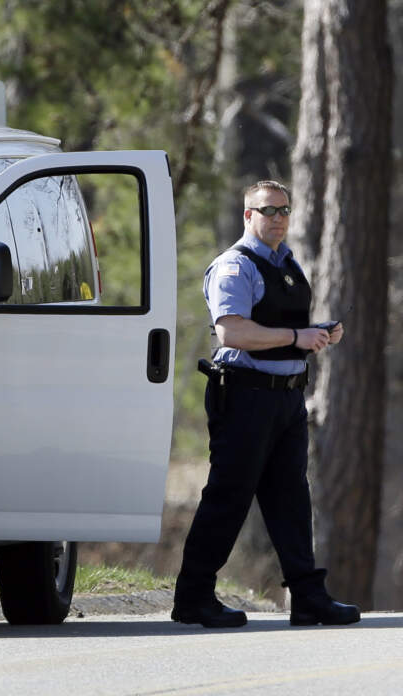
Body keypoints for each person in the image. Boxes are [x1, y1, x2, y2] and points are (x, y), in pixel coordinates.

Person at [172, 180, 361, 628]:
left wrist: (317, 333)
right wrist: (297, 337)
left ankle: (308, 597)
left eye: (284, 210)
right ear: (248, 215)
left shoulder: (286, 262)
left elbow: (279, 326)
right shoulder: (235, 266)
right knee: (229, 497)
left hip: (287, 398)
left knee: (292, 499)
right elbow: (232, 331)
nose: (278, 218)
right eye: (267, 210)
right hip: (245, 396)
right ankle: (193, 597)